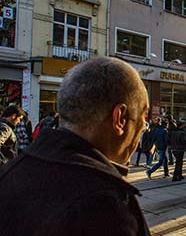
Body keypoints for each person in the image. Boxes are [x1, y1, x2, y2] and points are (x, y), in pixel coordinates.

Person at [0, 57, 150, 235]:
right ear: (120, 118)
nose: (143, 128)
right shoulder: (104, 207)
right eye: (143, 117)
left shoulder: (11, 171)